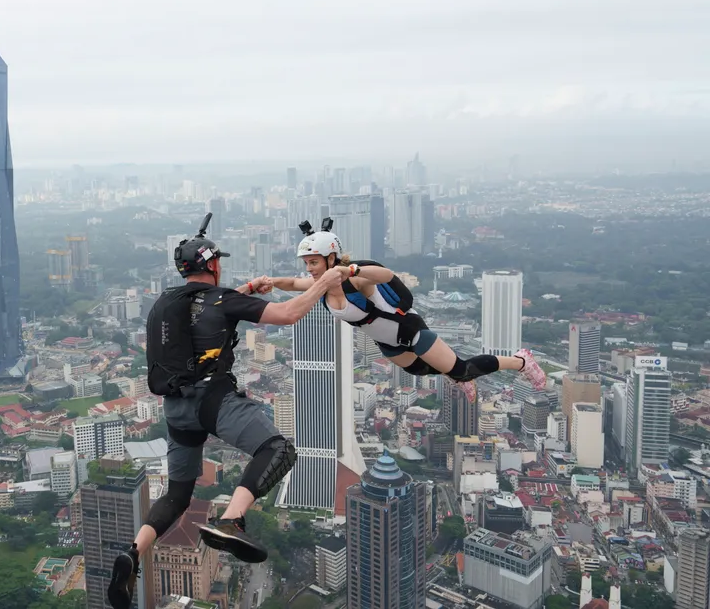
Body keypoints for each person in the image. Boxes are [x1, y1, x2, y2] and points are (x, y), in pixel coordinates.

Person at [107, 214, 347, 609]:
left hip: (175, 408)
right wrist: (324, 281)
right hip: (212, 402)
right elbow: (287, 314)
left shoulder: (164, 301)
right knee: (278, 449)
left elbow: (203, 312)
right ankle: (231, 520)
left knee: (179, 494)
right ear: (213, 264)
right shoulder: (223, 299)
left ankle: (132, 554)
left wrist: (245, 293)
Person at [268, 220, 546, 403]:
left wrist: (351, 269)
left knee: (462, 369)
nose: (309, 269)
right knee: (420, 370)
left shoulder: (355, 280)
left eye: (314, 262)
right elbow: (293, 283)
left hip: (409, 331)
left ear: (331, 258)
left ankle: (521, 362)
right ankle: (455, 376)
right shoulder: (322, 285)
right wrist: (266, 282)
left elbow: (385, 274)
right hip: (387, 342)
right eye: (307, 263)